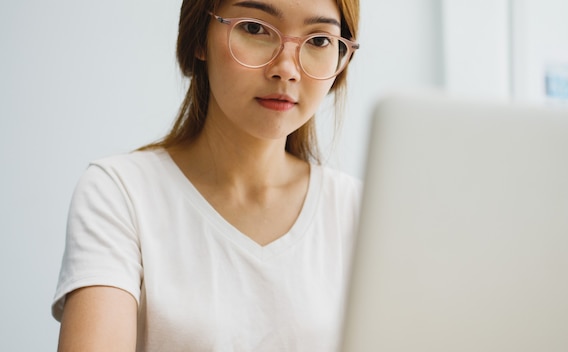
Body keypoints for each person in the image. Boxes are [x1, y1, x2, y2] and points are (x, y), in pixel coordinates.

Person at [51, 0, 361, 350]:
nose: (287, 69)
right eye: (255, 28)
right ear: (199, 37)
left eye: (318, 40)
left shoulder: (363, 212)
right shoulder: (121, 193)